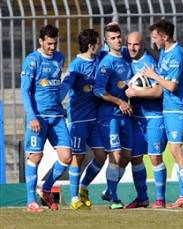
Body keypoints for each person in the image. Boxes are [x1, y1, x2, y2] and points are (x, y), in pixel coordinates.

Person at [142, 19, 183, 208]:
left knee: (177, 149)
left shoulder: (177, 54)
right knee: (174, 151)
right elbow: (160, 87)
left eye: (155, 37)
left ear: (165, 37)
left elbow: (172, 86)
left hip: (178, 107)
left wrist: (154, 76)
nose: (153, 41)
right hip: (167, 108)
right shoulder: (164, 53)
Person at [20, 24, 72, 212]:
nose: (52, 47)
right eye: (49, 43)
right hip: (39, 117)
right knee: (36, 155)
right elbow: (25, 90)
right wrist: (32, 116)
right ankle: (30, 201)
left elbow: (55, 86)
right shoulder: (32, 60)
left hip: (57, 116)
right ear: (41, 41)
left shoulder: (59, 58)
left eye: (55, 43)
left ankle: (47, 188)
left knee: (66, 157)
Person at [59, 29, 107, 210]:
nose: (101, 45)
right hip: (78, 119)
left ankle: (84, 188)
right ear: (90, 45)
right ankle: (73, 198)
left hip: (95, 118)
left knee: (101, 155)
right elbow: (66, 85)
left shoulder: (99, 58)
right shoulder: (76, 66)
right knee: (78, 157)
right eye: (98, 42)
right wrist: (58, 98)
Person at [125, 32, 167, 208]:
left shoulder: (148, 63)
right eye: (129, 44)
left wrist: (135, 92)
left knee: (155, 157)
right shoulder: (126, 62)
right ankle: (142, 197)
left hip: (154, 117)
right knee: (135, 158)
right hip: (136, 119)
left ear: (143, 45)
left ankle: (160, 198)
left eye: (136, 44)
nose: (132, 48)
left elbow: (159, 91)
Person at [93, 23, 133, 209]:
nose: (117, 40)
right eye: (113, 38)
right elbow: (98, 90)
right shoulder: (106, 63)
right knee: (115, 156)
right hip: (110, 117)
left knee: (126, 156)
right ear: (107, 42)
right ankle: (114, 199)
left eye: (119, 37)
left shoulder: (126, 56)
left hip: (126, 115)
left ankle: (110, 191)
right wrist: (119, 102)